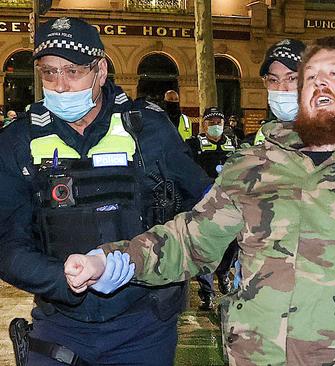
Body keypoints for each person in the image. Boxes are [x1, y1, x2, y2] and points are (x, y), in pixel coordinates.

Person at [64, 36, 335, 365]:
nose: (320, 86)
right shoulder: (253, 165)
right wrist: (111, 260)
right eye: (311, 78)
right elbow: (188, 240)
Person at [0, 17, 211, 365]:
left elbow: (202, 212)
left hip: (144, 323)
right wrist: (61, 278)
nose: (60, 86)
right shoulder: (19, 141)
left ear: (100, 71)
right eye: (49, 72)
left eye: (72, 71)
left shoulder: (149, 129)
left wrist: (141, 260)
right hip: (60, 325)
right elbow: (6, 239)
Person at [186, 107, 238, 309]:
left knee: (231, 245)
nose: (216, 126)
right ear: (203, 123)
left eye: (219, 121)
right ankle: (207, 293)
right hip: (204, 203)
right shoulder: (193, 144)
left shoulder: (233, 144)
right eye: (211, 122)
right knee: (204, 247)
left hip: (230, 204)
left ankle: (224, 272)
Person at [253, 38, 306, 145]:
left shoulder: (330, 138)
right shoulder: (264, 135)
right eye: (273, 80)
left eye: (291, 78)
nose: (281, 88)